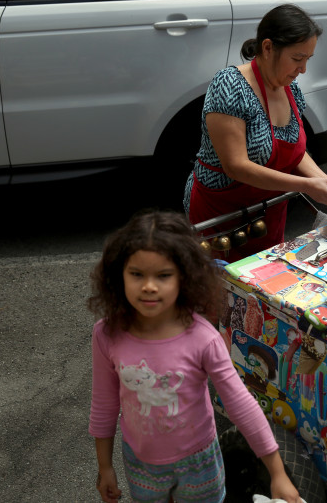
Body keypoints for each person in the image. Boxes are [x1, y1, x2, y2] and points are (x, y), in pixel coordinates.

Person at [87, 211, 301, 503]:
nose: (149, 286)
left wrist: (277, 472)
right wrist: (105, 467)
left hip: (199, 463)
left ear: (184, 278)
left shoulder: (203, 337)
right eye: (137, 274)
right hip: (141, 464)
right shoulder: (106, 334)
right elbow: (104, 405)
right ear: (117, 275)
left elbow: (240, 404)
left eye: (163, 275)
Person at [184, 3, 327, 262]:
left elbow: (296, 150)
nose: (303, 69)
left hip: (267, 212)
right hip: (219, 215)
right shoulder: (230, 86)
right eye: (297, 58)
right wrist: (307, 186)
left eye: (307, 59)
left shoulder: (291, 89)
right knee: (218, 292)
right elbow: (236, 166)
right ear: (268, 47)